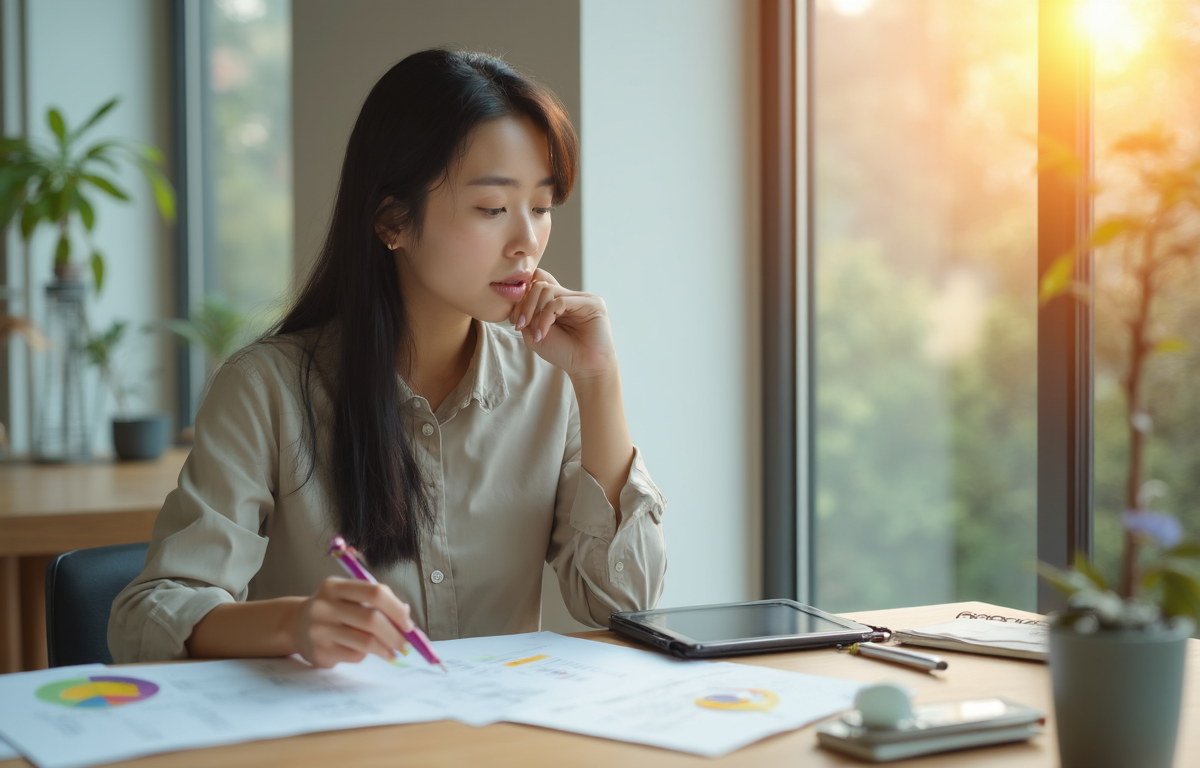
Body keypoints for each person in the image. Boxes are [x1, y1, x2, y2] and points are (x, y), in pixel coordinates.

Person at [109, 49, 667, 666]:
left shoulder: (549, 383)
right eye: (492, 208)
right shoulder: (265, 391)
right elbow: (148, 616)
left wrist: (598, 378)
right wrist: (291, 625)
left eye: (540, 207)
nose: (527, 241)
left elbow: (624, 605)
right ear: (393, 220)